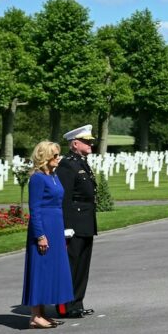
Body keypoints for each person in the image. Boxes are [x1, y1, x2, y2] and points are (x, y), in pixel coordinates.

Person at [21, 141, 72, 329]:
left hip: (56, 225)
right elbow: (35, 209)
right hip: (44, 227)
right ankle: (35, 316)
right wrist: (40, 235)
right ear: (44, 157)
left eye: (58, 155)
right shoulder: (37, 179)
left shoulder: (53, 176)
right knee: (40, 269)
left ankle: (42, 314)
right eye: (55, 156)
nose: (58, 159)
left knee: (51, 270)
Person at [55, 125, 99, 319]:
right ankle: (65, 306)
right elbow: (65, 198)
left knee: (82, 265)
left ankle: (77, 303)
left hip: (86, 222)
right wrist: (66, 226)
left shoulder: (81, 162)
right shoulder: (67, 165)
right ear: (75, 143)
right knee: (72, 265)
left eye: (90, 141)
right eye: (87, 141)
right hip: (74, 224)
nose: (90, 144)